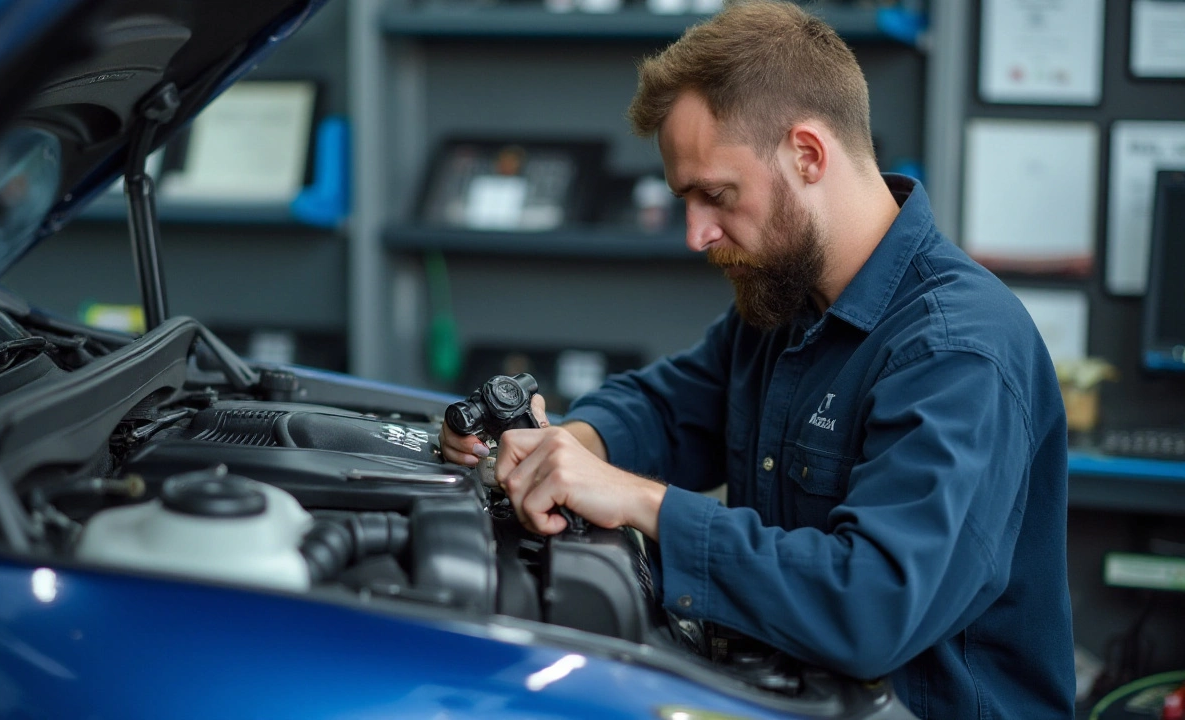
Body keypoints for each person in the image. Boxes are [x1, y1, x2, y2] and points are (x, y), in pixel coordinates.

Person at [440, 1, 1075, 717]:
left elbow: (870, 607)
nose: (697, 234)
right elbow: (672, 406)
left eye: (715, 195)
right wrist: (568, 448)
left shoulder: (958, 350)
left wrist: (639, 499)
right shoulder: (785, 302)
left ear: (807, 153)